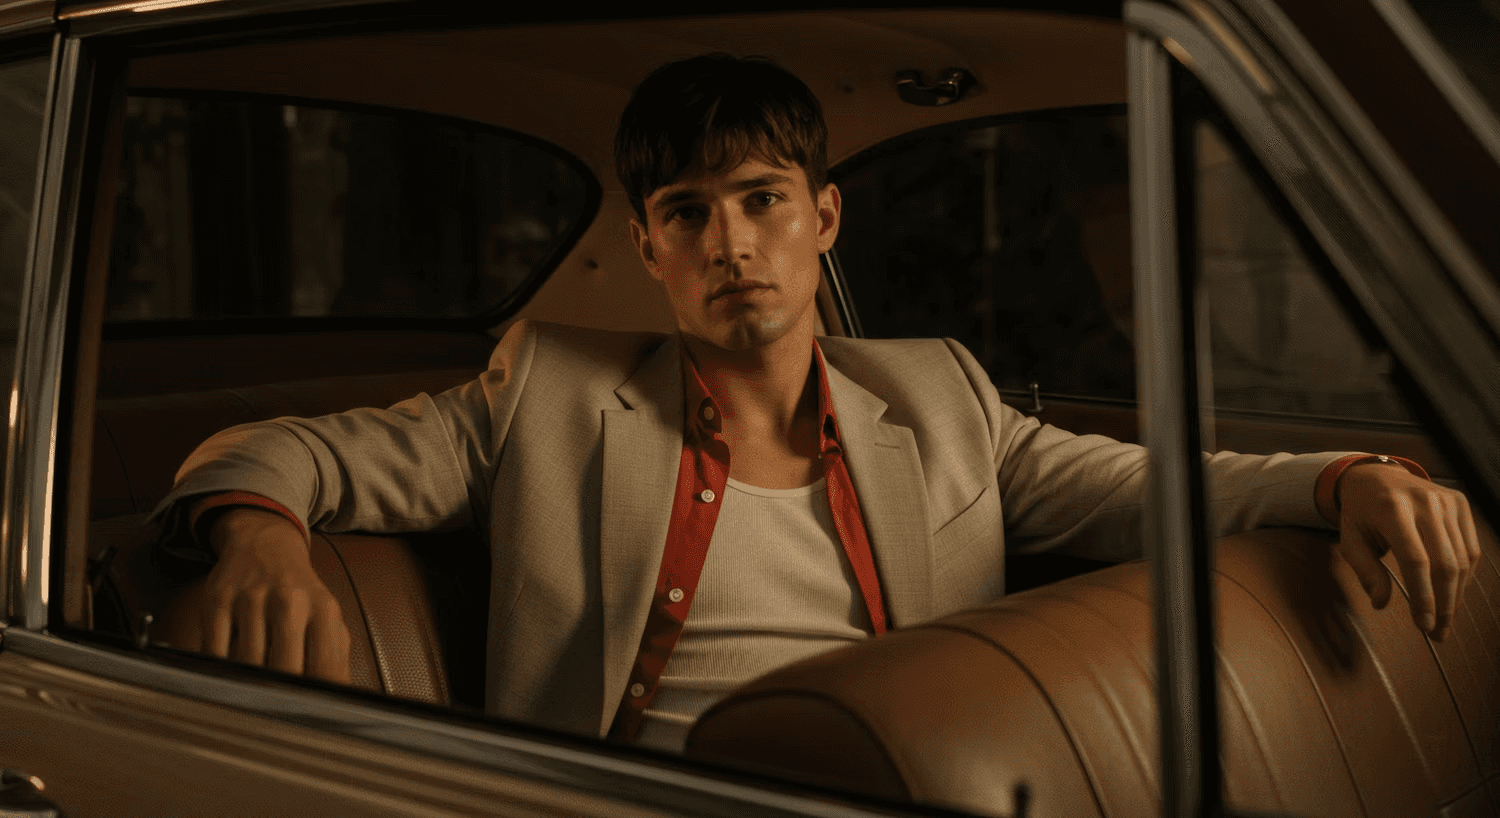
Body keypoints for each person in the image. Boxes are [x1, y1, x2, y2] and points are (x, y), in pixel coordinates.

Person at [154, 54, 1481, 754]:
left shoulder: (942, 398)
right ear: (652, 246)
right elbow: (282, 449)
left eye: (763, 199)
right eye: (690, 211)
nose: (733, 240)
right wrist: (260, 529)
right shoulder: (548, 390)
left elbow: (1146, 485)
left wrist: (1339, 478)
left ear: (822, 216)